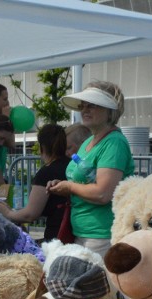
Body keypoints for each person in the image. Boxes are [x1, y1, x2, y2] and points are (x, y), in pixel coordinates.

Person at [46, 80, 134, 258]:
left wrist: (70, 187)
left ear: (110, 111)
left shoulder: (114, 142)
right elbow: (86, 182)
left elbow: (103, 193)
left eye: (92, 105)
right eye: (83, 105)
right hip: (82, 232)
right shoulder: (89, 141)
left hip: (101, 234)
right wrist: (64, 186)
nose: (84, 110)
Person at [0, 124, 70, 242]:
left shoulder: (46, 173)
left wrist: (7, 212)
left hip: (57, 237)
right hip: (74, 232)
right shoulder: (72, 166)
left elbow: (30, 214)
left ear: (42, 147)